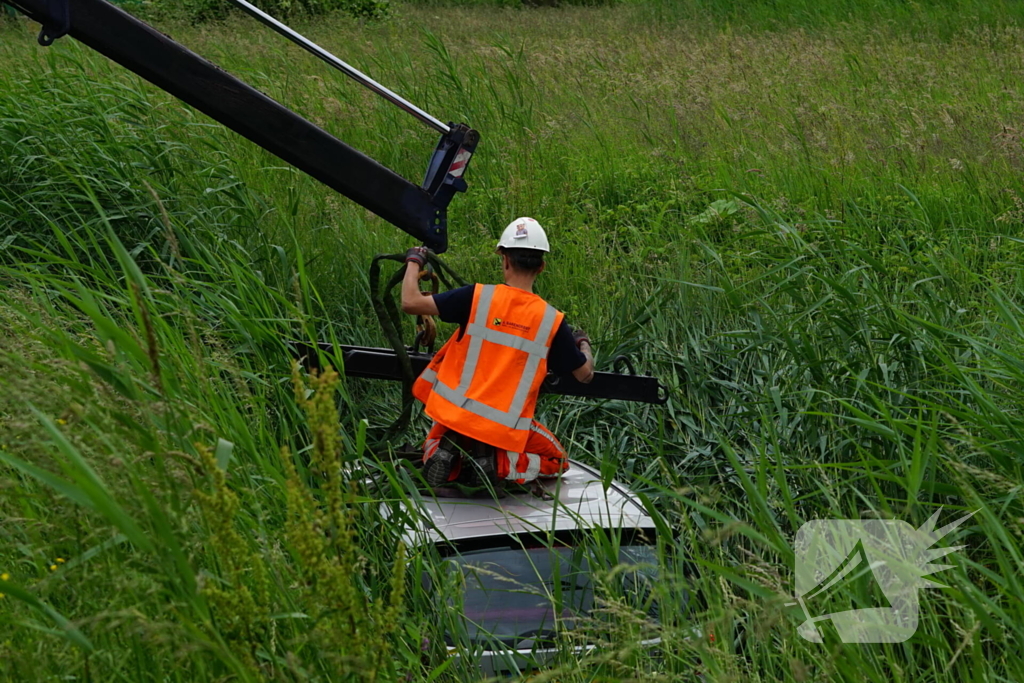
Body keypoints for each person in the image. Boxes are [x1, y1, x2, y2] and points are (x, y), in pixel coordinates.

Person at [400, 217, 594, 492]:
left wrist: (414, 261)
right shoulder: (551, 321)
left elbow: (410, 302)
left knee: (438, 438)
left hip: (454, 416)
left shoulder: (476, 298)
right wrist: (582, 343)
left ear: (504, 260)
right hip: (502, 428)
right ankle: (499, 464)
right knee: (557, 460)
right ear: (542, 266)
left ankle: (438, 453)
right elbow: (584, 375)